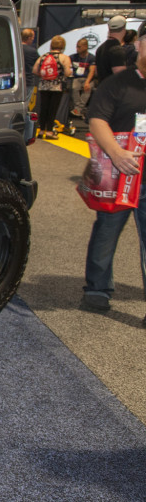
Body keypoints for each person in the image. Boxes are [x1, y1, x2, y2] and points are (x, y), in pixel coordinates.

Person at [81, 21, 146, 317]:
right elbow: (97, 119)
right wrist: (117, 153)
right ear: (140, 45)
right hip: (119, 174)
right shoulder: (117, 83)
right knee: (106, 232)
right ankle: (97, 289)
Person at [31, 35, 73, 139]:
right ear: (63, 45)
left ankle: (41, 130)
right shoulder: (64, 58)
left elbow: (35, 70)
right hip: (57, 87)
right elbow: (68, 73)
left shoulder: (43, 56)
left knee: (43, 107)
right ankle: (49, 131)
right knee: (53, 108)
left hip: (43, 85)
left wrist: (44, 76)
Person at [68, 37, 96, 123]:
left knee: (88, 88)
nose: (77, 49)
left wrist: (87, 82)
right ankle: (80, 109)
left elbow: (92, 71)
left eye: (79, 47)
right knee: (74, 87)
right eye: (77, 46)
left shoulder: (91, 58)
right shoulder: (72, 57)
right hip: (76, 78)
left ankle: (78, 109)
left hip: (87, 78)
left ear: (85, 47)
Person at [95, 15, 129, 84]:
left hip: (103, 89)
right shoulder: (117, 50)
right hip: (114, 91)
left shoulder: (100, 48)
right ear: (124, 30)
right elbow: (120, 75)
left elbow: (96, 72)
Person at [21, 28, 38, 104]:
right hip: (28, 81)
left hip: (15, 81)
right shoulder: (32, 51)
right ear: (29, 38)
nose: (33, 40)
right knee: (25, 104)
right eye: (32, 38)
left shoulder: (15, 48)